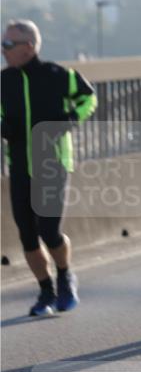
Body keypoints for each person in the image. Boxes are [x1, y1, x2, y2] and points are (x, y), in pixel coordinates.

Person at [1, 19, 96, 316]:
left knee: (49, 231)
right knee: (27, 235)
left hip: (53, 164)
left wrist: (70, 121)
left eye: (8, 45)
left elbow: (88, 98)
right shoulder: (4, 80)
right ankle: (46, 291)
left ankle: (65, 274)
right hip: (19, 166)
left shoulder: (59, 75)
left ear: (28, 47)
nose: (3, 50)